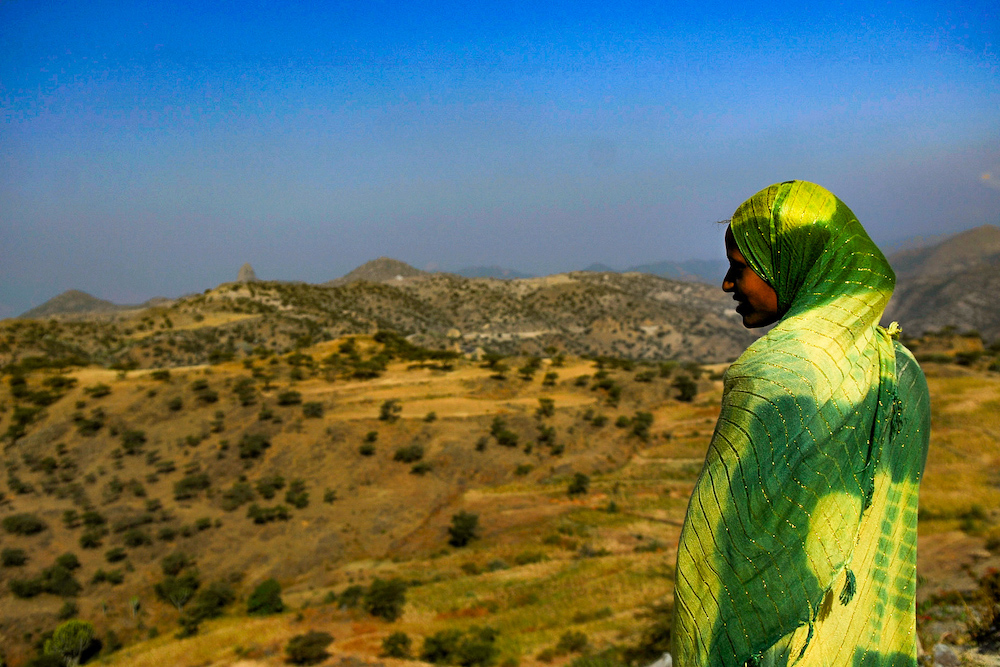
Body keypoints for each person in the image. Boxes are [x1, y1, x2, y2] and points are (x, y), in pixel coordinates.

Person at [671, 181, 930, 666]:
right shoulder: (900, 368)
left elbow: (724, 556)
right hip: (862, 644)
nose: (728, 286)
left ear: (792, 262)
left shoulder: (775, 374)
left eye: (739, 269)